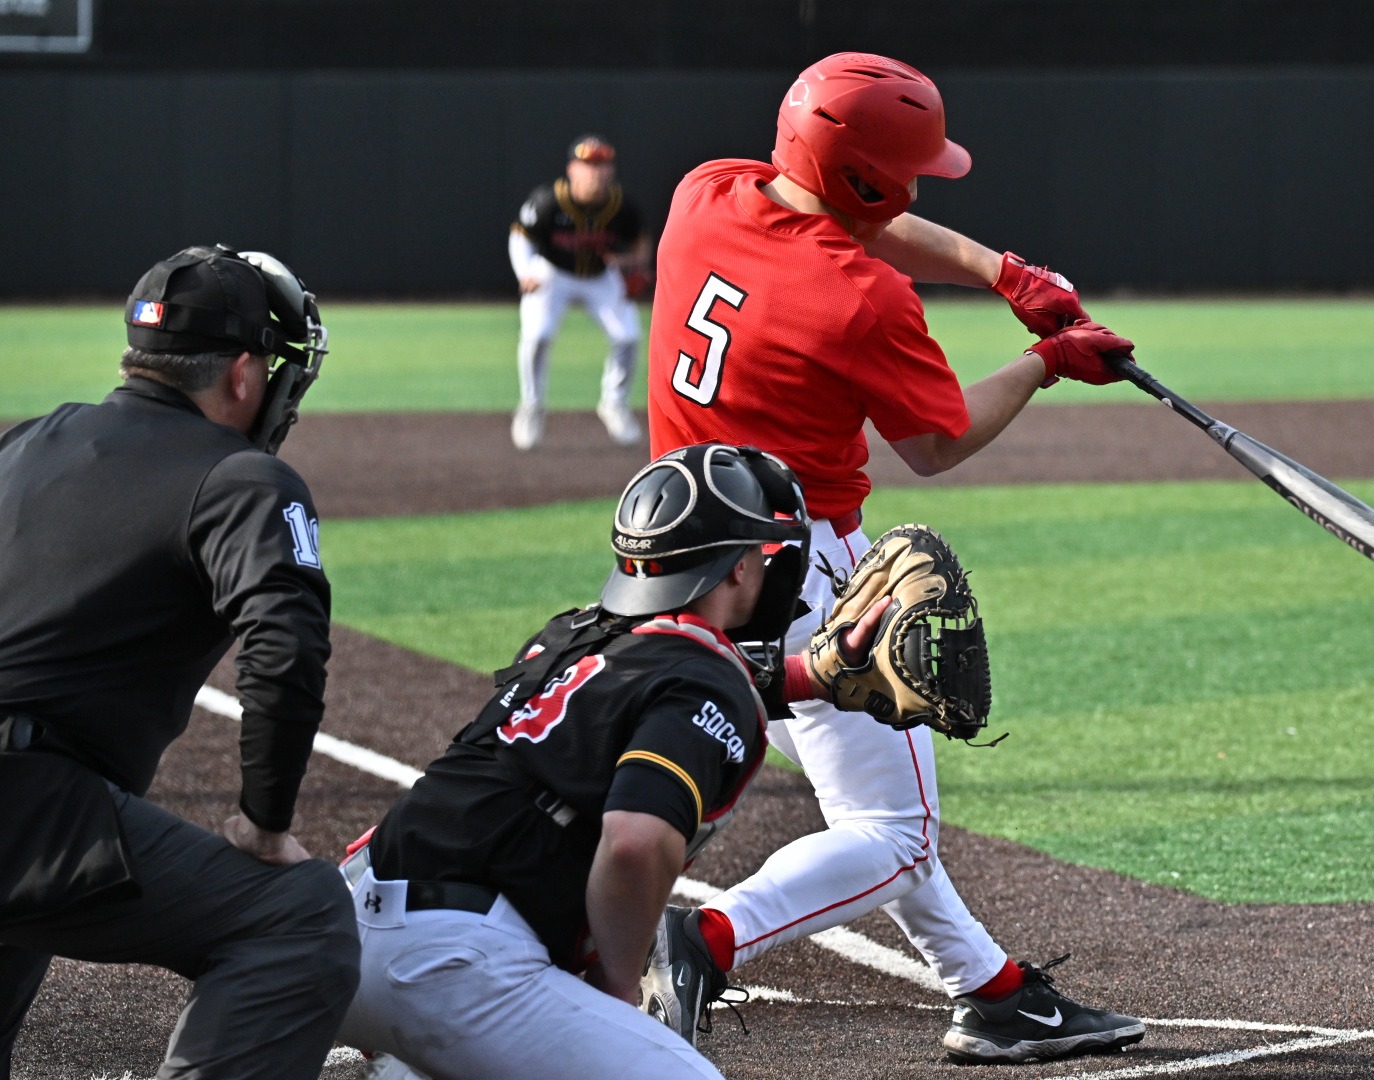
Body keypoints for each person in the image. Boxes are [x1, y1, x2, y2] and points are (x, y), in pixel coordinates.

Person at [642, 52, 1146, 1066]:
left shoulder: (707, 192)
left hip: (672, 553)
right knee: (896, 831)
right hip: (800, 576)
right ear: (870, 180)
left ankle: (996, 996)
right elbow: (938, 442)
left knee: (876, 805)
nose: (922, 185)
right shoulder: (863, 299)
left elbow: (848, 219)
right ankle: (711, 936)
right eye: (909, 171)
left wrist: (1002, 273)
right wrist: (1049, 361)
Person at [334, 443, 890, 1080]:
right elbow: (635, 842)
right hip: (449, 962)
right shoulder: (704, 679)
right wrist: (618, 989)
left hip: (342, 924)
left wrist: (814, 674)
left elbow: (655, 688)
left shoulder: (572, 633)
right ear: (739, 567)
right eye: (765, 552)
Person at [0, 245, 357, 1080]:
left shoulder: (26, 442)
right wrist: (263, 823)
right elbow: (286, 646)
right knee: (297, 918)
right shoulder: (242, 476)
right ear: (241, 376)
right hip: (28, 807)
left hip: (27, 817)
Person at [509, 134, 654, 450]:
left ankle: (613, 404)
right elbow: (521, 235)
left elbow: (641, 246)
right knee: (537, 336)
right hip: (553, 273)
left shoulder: (621, 205)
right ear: (571, 169)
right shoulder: (550, 199)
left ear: (611, 170)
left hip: (600, 276)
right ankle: (531, 406)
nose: (596, 172)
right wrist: (526, 271)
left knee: (628, 336)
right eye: (588, 164)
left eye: (602, 165)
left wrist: (630, 263)